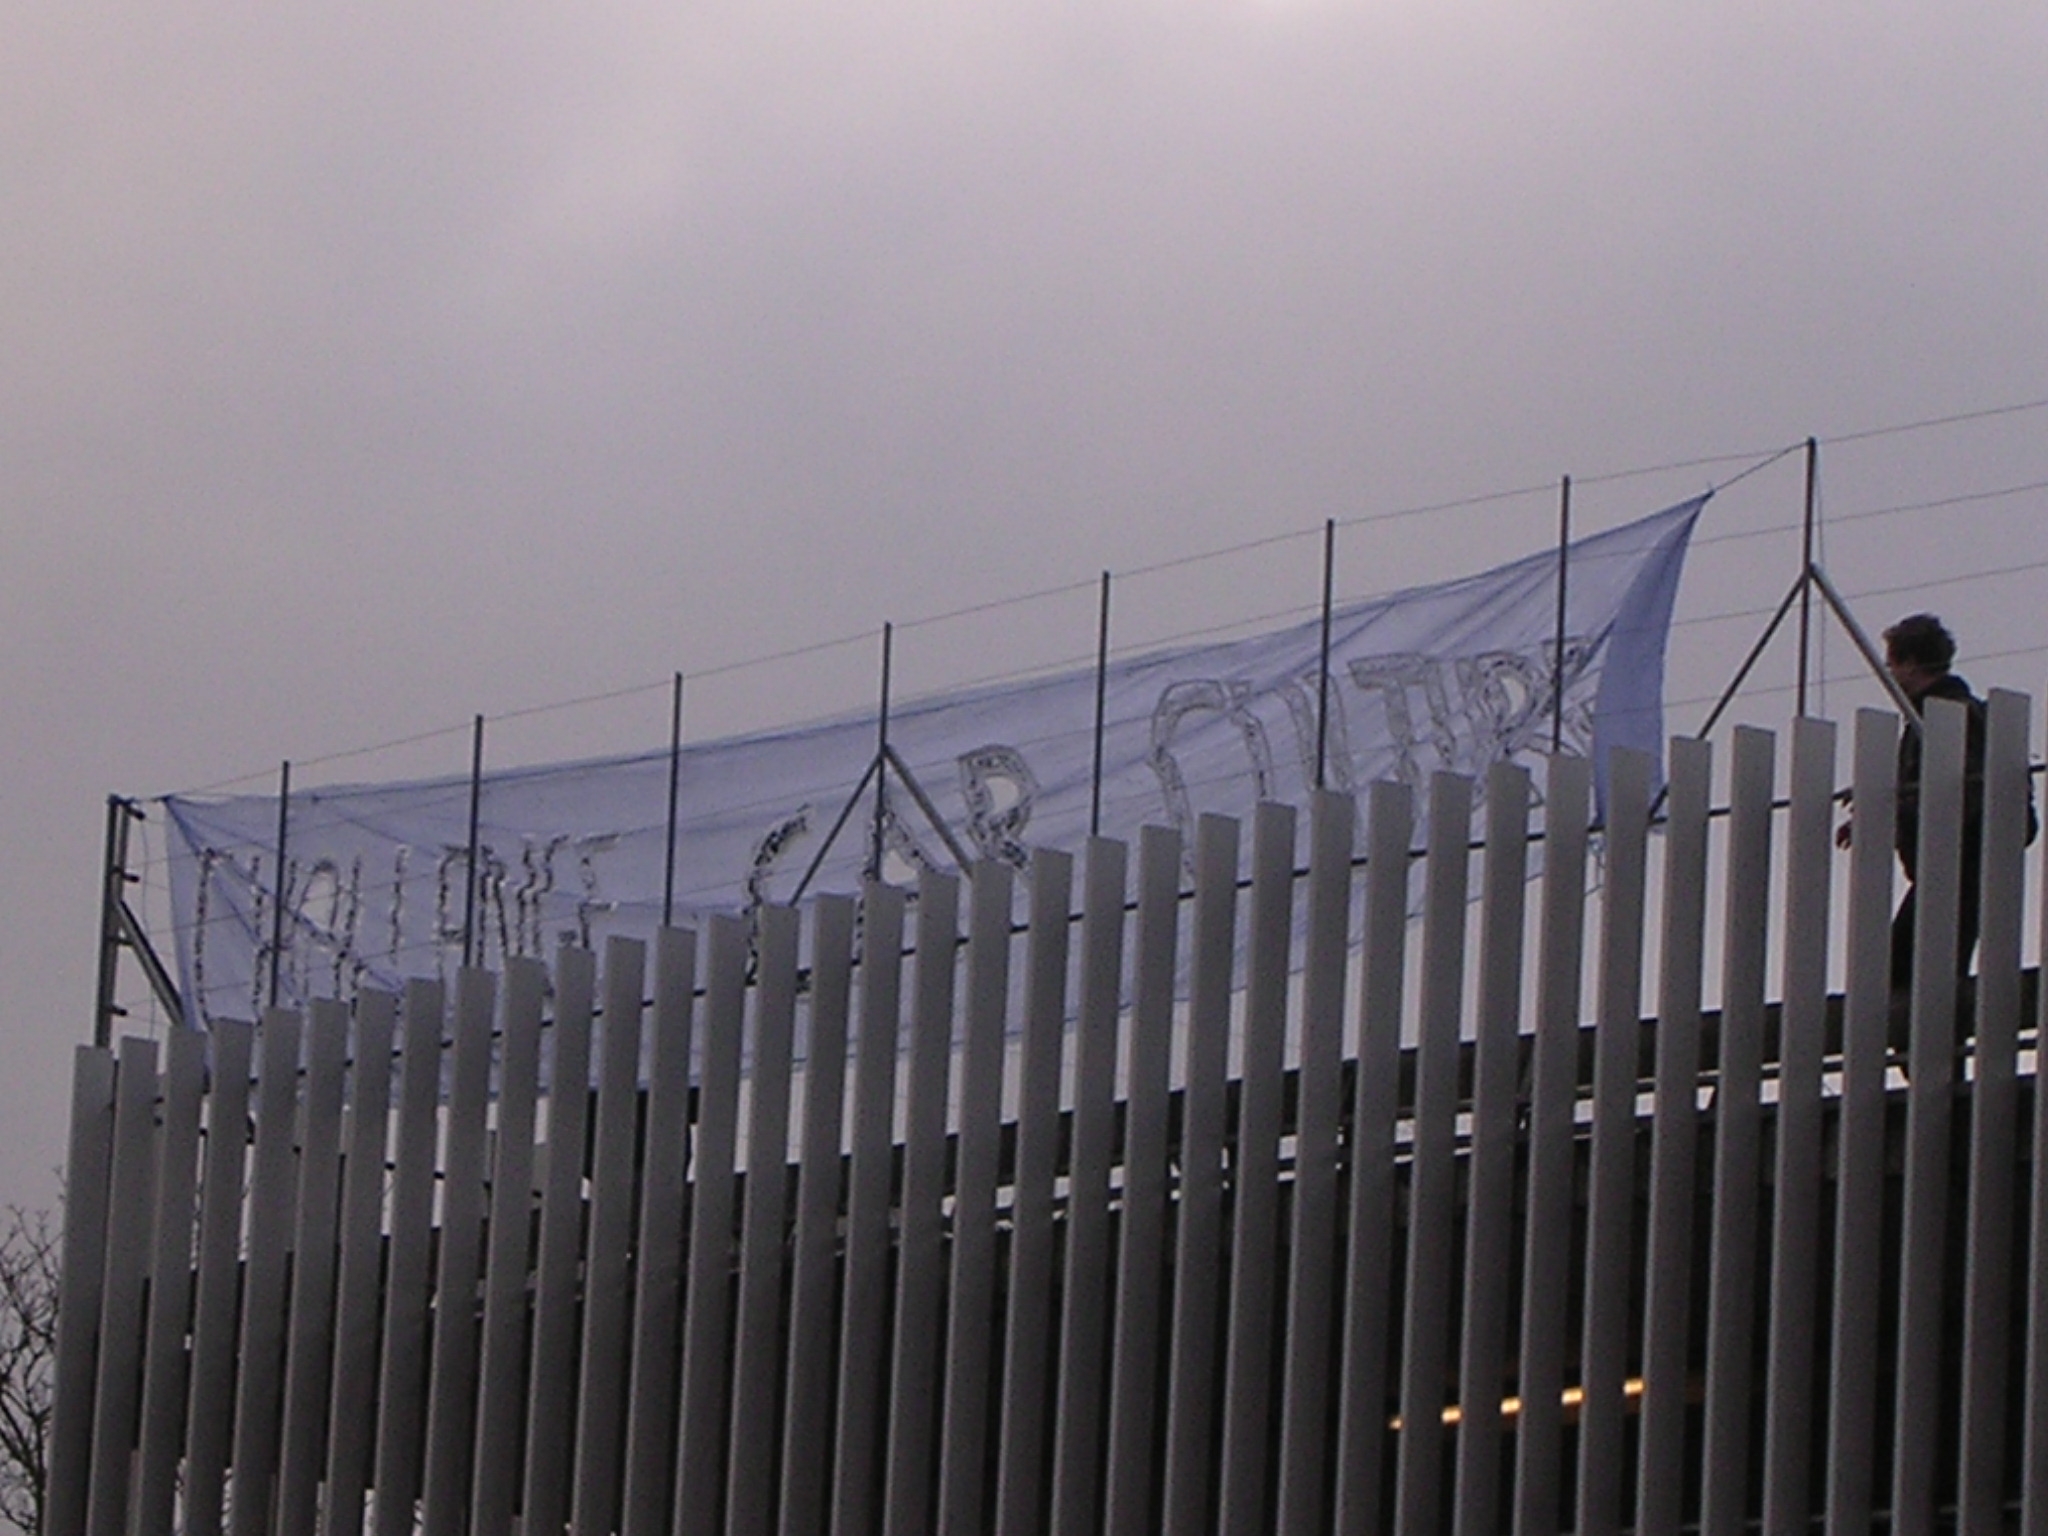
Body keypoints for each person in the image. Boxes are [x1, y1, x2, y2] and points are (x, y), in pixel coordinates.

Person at [1834, 613, 1987, 992]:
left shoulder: (1947, 716)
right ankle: (1926, 1043)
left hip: (1955, 867)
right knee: (1922, 971)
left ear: (1911, 663)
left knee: (1911, 973)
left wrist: (1892, 807)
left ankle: (1925, 1047)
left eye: (1892, 664)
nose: (1889, 674)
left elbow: (1954, 789)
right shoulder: (1940, 714)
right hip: (1952, 867)